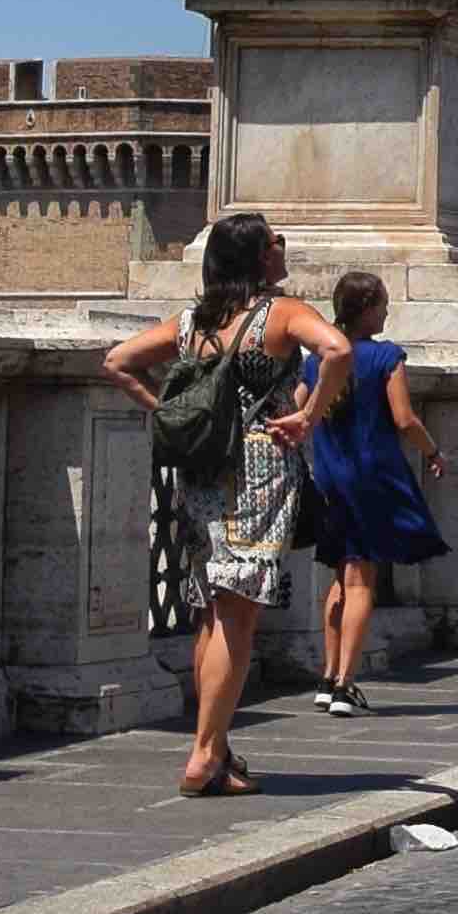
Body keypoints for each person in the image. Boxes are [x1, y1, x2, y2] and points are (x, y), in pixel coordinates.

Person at [100, 213, 357, 800]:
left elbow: (116, 361)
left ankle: (214, 750)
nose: (282, 247)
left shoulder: (192, 322)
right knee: (237, 616)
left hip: (199, 470)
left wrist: (163, 410)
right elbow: (338, 349)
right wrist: (309, 414)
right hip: (260, 467)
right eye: (274, 242)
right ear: (259, 259)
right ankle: (203, 752)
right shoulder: (282, 313)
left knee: (211, 610)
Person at [301, 269, 449, 712]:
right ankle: (346, 682)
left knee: (338, 576)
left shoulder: (317, 359)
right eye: (382, 304)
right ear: (366, 310)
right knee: (362, 579)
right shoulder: (386, 357)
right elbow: (404, 419)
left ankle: (326, 679)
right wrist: (433, 452)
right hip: (371, 475)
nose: (386, 311)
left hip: (329, 474)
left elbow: (300, 406)